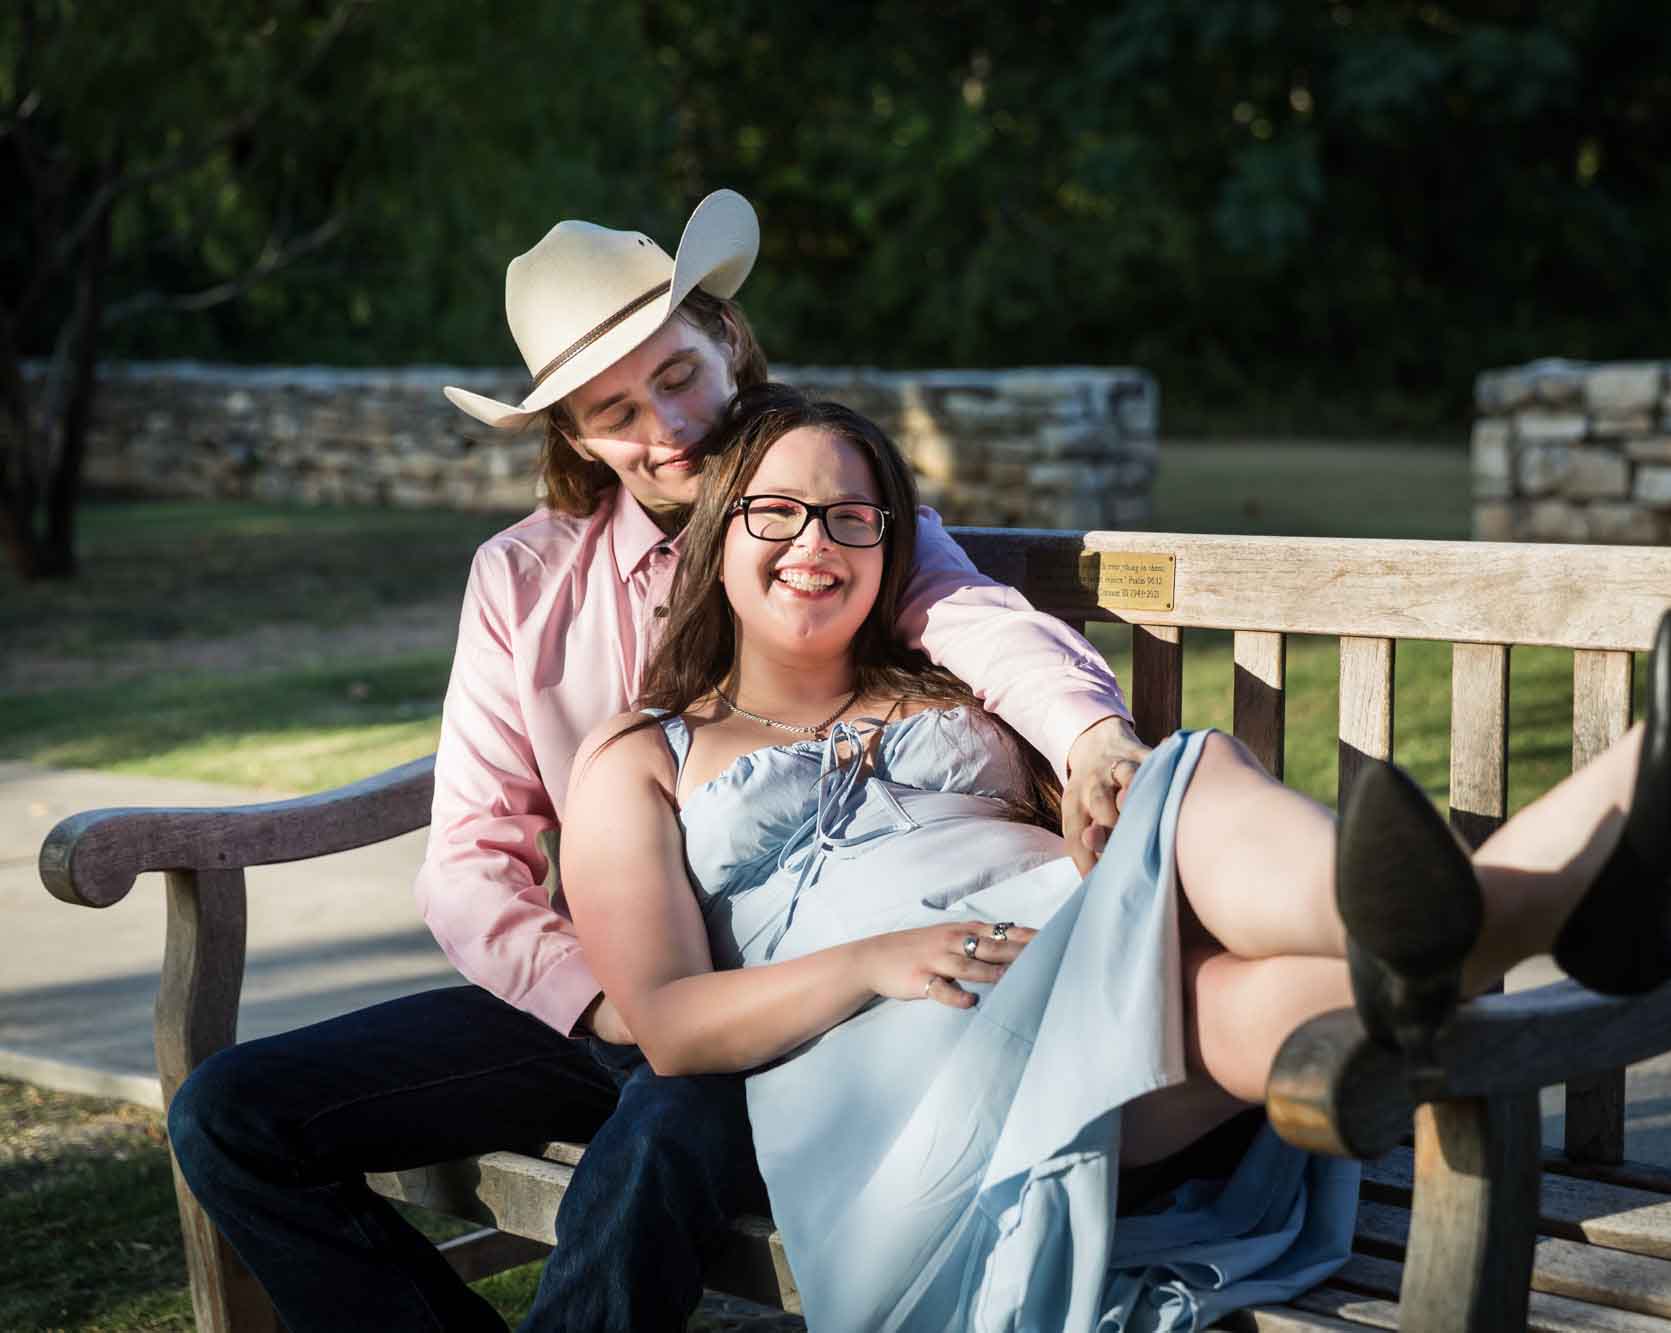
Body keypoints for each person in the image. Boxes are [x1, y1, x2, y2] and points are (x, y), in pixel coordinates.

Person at [558, 383, 1671, 1331]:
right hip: (917, 1050)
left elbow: (1076, 793)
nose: (815, 542)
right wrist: (873, 960)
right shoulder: (643, 753)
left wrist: (1090, 806)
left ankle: (1499, 907)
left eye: (850, 516)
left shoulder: (956, 687)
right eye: (777, 511)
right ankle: (1553, 904)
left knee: (1178, 785)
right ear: (718, 538)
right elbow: (665, 1018)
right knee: (1197, 909)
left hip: (1099, 965)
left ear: (887, 544)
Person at [166, 191, 1152, 1332]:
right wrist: (605, 1003)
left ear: (725, 340)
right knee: (228, 1115)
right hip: (599, 1000)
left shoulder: (821, 516)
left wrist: (1089, 734)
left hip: (788, 997)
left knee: (651, 1151)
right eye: (614, 411)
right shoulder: (522, 581)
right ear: (575, 436)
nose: (664, 427)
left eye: (675, 376)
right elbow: (468, 855)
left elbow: (975, 619)